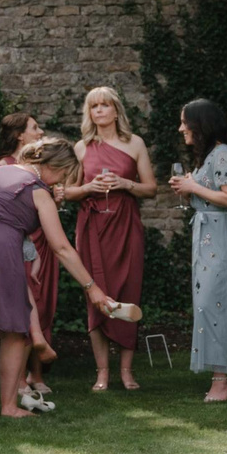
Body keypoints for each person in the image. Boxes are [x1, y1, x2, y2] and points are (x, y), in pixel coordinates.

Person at [0, 136, 118, 417]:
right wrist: (92, 287)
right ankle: (9, 407)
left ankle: (16, 390)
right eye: (63, 176)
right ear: (54, 165)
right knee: (16, 331)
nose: (60, 183)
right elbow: (61, 247)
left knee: (11, 325)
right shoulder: (37, 191)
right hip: (0, 251)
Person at [69, 87, 156, 392]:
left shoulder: (135, 145)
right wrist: (90, 187)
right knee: (97, 298)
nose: (100, 111)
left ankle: (127, 372)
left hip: (126, 225)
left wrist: (125, 183)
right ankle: (102, 372)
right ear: (89, 113)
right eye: (94, 107)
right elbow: (68, 192)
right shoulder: (81, 147)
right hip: (92, 227)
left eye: (105, 105)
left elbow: (151, 188)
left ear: (116, 110)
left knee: (129, 292)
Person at [172, 100, 227, 402]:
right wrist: (189, 187)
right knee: (220, 302)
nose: (181, 128)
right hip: (208, 233)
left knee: (214, 304)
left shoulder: (223, 154)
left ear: (200, 124)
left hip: (221, 236)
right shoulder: (210, 155)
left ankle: (221, 380)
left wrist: (192, 187)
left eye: (185, 122)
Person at [0, 112, 59, 402]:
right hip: (17, 246)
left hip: (42, 241)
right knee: (19, 308)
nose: (40, 132)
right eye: (35, 128)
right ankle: (18, 379)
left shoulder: (35, 168)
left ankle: (37, 374)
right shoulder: (3, 167)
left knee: (42, 302)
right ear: (20, 135)